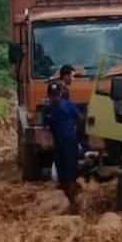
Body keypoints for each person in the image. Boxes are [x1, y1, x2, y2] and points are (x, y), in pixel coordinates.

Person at [45, 81, 83, 214]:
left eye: (56, 95)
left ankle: (74, 203)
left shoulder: (69, 105)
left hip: (70, 144)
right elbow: (47, 128)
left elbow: (80, 119)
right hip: (58, 145)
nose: (55, 97)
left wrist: (74, 131)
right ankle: (67, 201)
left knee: (71, 173)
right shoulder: (48, 109)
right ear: (49, 96)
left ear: (60, 94)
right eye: (52, 95)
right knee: (61, 176)